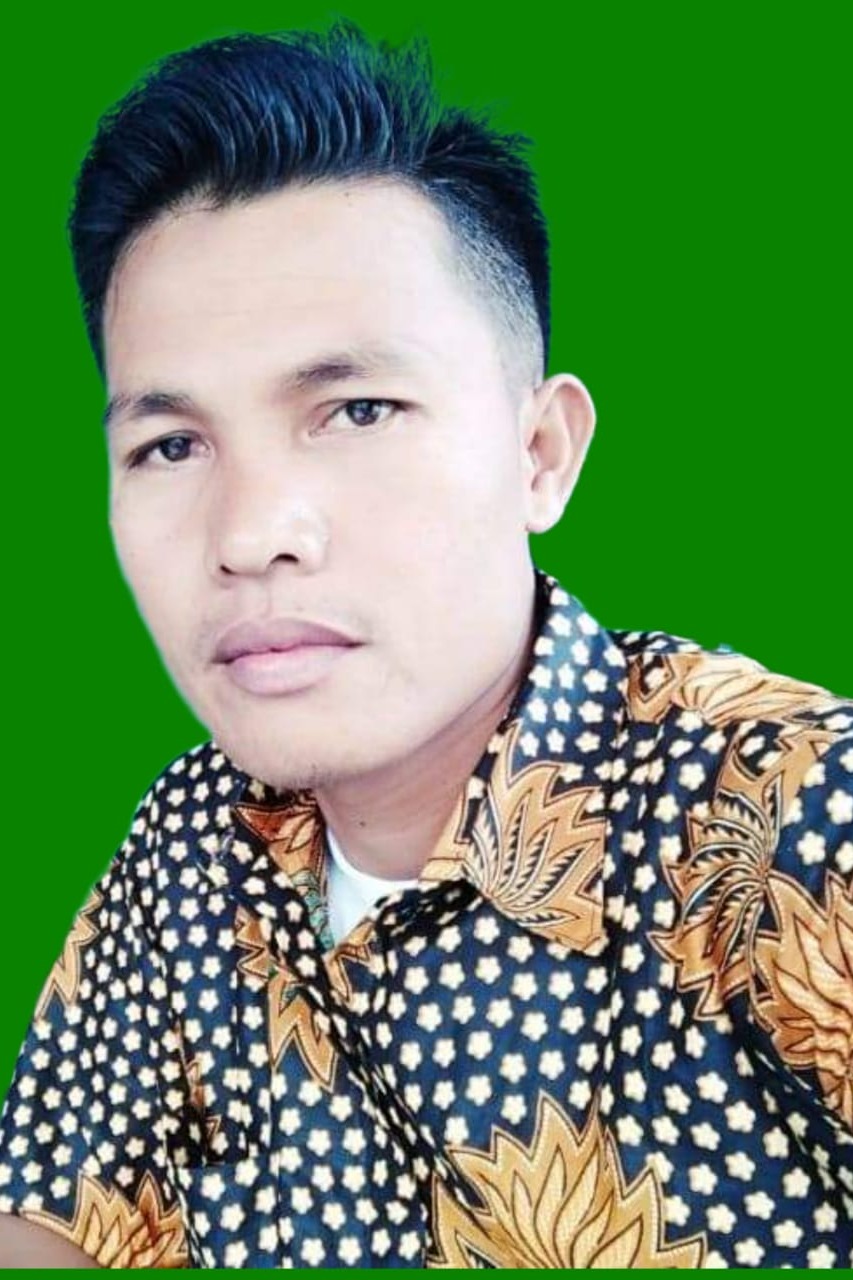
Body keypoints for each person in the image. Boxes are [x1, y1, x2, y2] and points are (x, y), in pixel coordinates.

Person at [0, 19, 850, 1270]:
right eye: (171, 445)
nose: (251, 533)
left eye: (356, 410)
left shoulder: (788, 820)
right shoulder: (186, 849)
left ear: (538, 454)